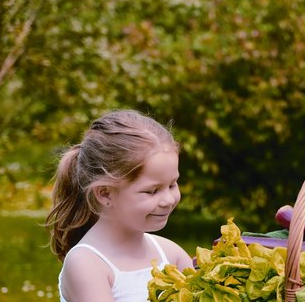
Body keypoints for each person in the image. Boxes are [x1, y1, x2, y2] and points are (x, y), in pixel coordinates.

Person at [45, 109, 194, 302]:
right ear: (106, 193)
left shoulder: (171, 254)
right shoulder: (87, 264)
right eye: (152, 191)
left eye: (172, 184)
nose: (169, 199)